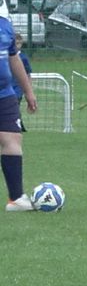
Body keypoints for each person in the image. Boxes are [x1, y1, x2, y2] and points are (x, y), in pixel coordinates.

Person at [0, 16, 36, 211]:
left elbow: (13, 59)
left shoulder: (5, 25)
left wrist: (28, 91)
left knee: (13, 139)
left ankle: (16, 199)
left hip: (4, 94)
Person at [13, 33, 30, 131]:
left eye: (19, 44)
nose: (17, 46)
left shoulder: (23, 58)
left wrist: (28, 88)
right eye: (15, 43)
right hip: (6, 87)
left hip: (18, 88)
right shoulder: (6, 56)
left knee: (15, 107)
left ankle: (19, 126)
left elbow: (28, 73)